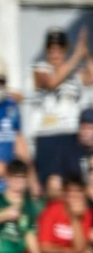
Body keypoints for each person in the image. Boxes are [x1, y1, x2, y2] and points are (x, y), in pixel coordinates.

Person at [28, 27, 91, 191]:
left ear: (65, 50)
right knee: (51, 187)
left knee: (74, 186)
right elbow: (51, 82)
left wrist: (85, 52)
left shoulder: (75, 73)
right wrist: (77, 55)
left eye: (59, 49)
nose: (55, 54)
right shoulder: (41, 69)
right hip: (48, 136)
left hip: (71, 136)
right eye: (52, 50)